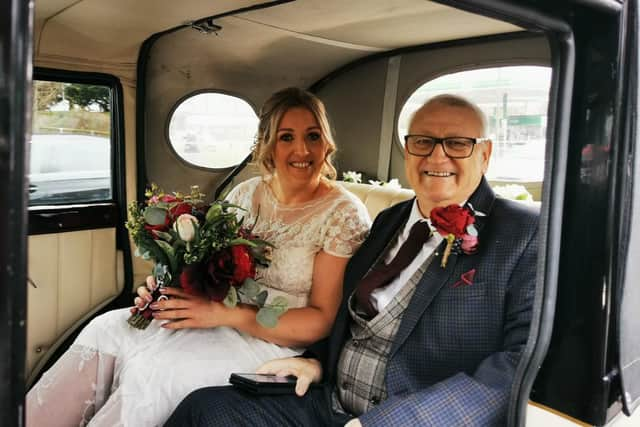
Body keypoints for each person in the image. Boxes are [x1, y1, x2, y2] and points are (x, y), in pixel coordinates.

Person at [165, 94, 539, 426]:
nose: (437, 156)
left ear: (485, 154)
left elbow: (522, 362)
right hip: (327, 401)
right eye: (423, 142)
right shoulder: (389, 221)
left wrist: (389, 423)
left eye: (458, 144)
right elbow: (347, 311)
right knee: (205, 410)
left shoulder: (523, 234)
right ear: (407, 151)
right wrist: (314, 361)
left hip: (407, 415)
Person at [25, 87, 371, 427]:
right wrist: (167, 288)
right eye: (286, 137)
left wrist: (227, 314)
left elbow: (321, 321)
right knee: (106, 328)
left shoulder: (342, 214)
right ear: (267, 144)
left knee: (158, 370)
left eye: (313, 136)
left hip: (278, 343)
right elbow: (208, 266)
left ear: (327, 142)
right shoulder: (247, 193)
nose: (302, 149)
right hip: (219, 317)